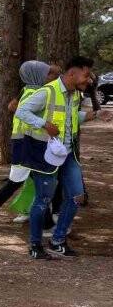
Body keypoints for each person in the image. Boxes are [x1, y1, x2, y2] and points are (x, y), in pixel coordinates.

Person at [12, 56, 112, 260]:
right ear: (72, 73)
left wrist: (95, 115)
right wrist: (43, 124)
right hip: (45, 156)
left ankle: (57, 241)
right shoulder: (46, 92)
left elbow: (74, 117)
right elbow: (21, 111)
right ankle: (35, 244)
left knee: (77, 196)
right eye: (86, 75)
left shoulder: (75, 95)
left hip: (68, 154)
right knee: (43, 200)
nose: (89, 80)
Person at [0, 61, 59, 232]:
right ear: (38, 76)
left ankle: (47, 223)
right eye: (48, 74)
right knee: (23, 183)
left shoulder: (27, 89)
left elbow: (13, 107)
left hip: (27, 145)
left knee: (34, 183)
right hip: (27, 146)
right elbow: (20, 112)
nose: (51, 77)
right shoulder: (37, 92)